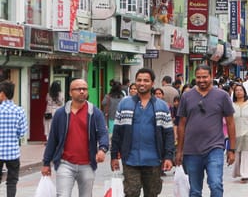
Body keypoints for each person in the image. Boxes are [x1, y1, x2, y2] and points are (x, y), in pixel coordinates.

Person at [109, 68, 175, 197]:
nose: (142, 83)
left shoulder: (161, 106)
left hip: (154, 160)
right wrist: (113, 156)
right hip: (130, 159)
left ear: (152, 83)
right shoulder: (125, 104)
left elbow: (168, 134)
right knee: (131, 192)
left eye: (146, 80)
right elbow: (117, 132)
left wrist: (168, 156)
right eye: (139, 80)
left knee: (152, 193)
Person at [174, 65, 237, 196]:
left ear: (211, 77)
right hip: (191, 150)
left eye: (205, 77)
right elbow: (181, 125)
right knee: (195, 190)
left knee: (216, 185)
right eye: (198, 77)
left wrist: (232, 149)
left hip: (215, 148)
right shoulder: (186, 97)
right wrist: (179, 151)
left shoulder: (222, 96)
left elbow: (230, 123)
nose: (202, 80)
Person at [42, 78, 110, 197]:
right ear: (70, 92)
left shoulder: (95, 113)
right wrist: (46, 163)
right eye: (78, 89)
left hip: (87, 164)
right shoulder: (60, 114)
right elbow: (53, 139)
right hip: (65, 163)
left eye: (84, 89)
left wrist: (102, 149)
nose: (82, 91)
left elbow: (103, 133)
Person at [0, 81, 27, 197]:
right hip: (13, 153)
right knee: (12, 181)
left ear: (2, 94)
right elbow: (22, 133)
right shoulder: (20, 111)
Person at [230, 83, 248, 182]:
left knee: (247, 153)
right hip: (236, 133)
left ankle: (245, 175)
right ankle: (239, 172)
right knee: (237, 154)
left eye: (240, 90)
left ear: (244, 92)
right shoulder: (231, 105)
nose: (238, 92)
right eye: (237, 90)